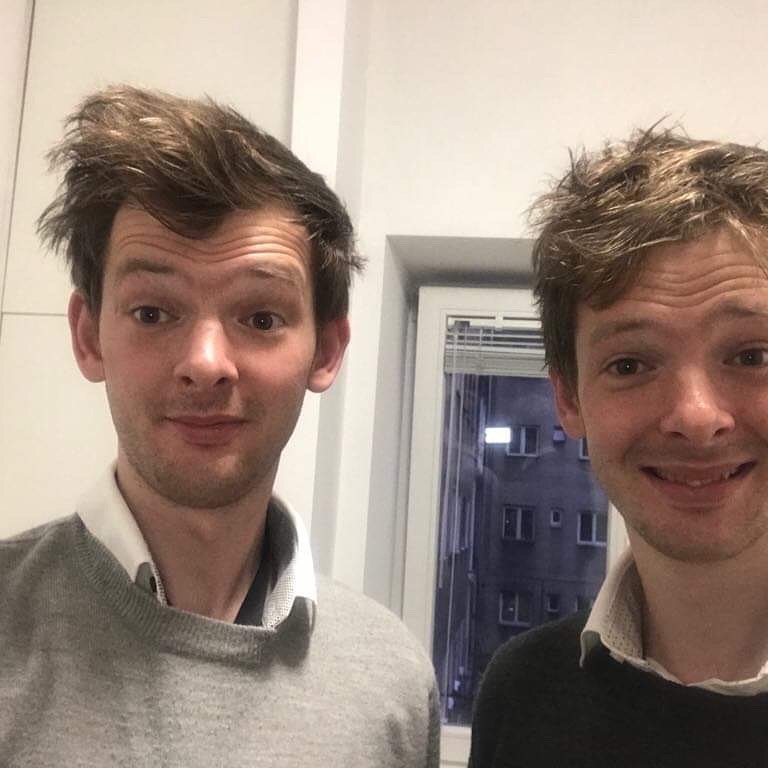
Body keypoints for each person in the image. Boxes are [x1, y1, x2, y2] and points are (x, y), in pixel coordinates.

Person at [0, 85, 439, 767]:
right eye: (153, 312)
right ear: (89, 338)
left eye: (260, 318)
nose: (206, 365)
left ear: (325, 350)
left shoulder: (394, 684)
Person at [469, 128, 768, 767]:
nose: (696, 417)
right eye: (631, 364)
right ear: (569, 399)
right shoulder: (522, 695)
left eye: (752, 354)